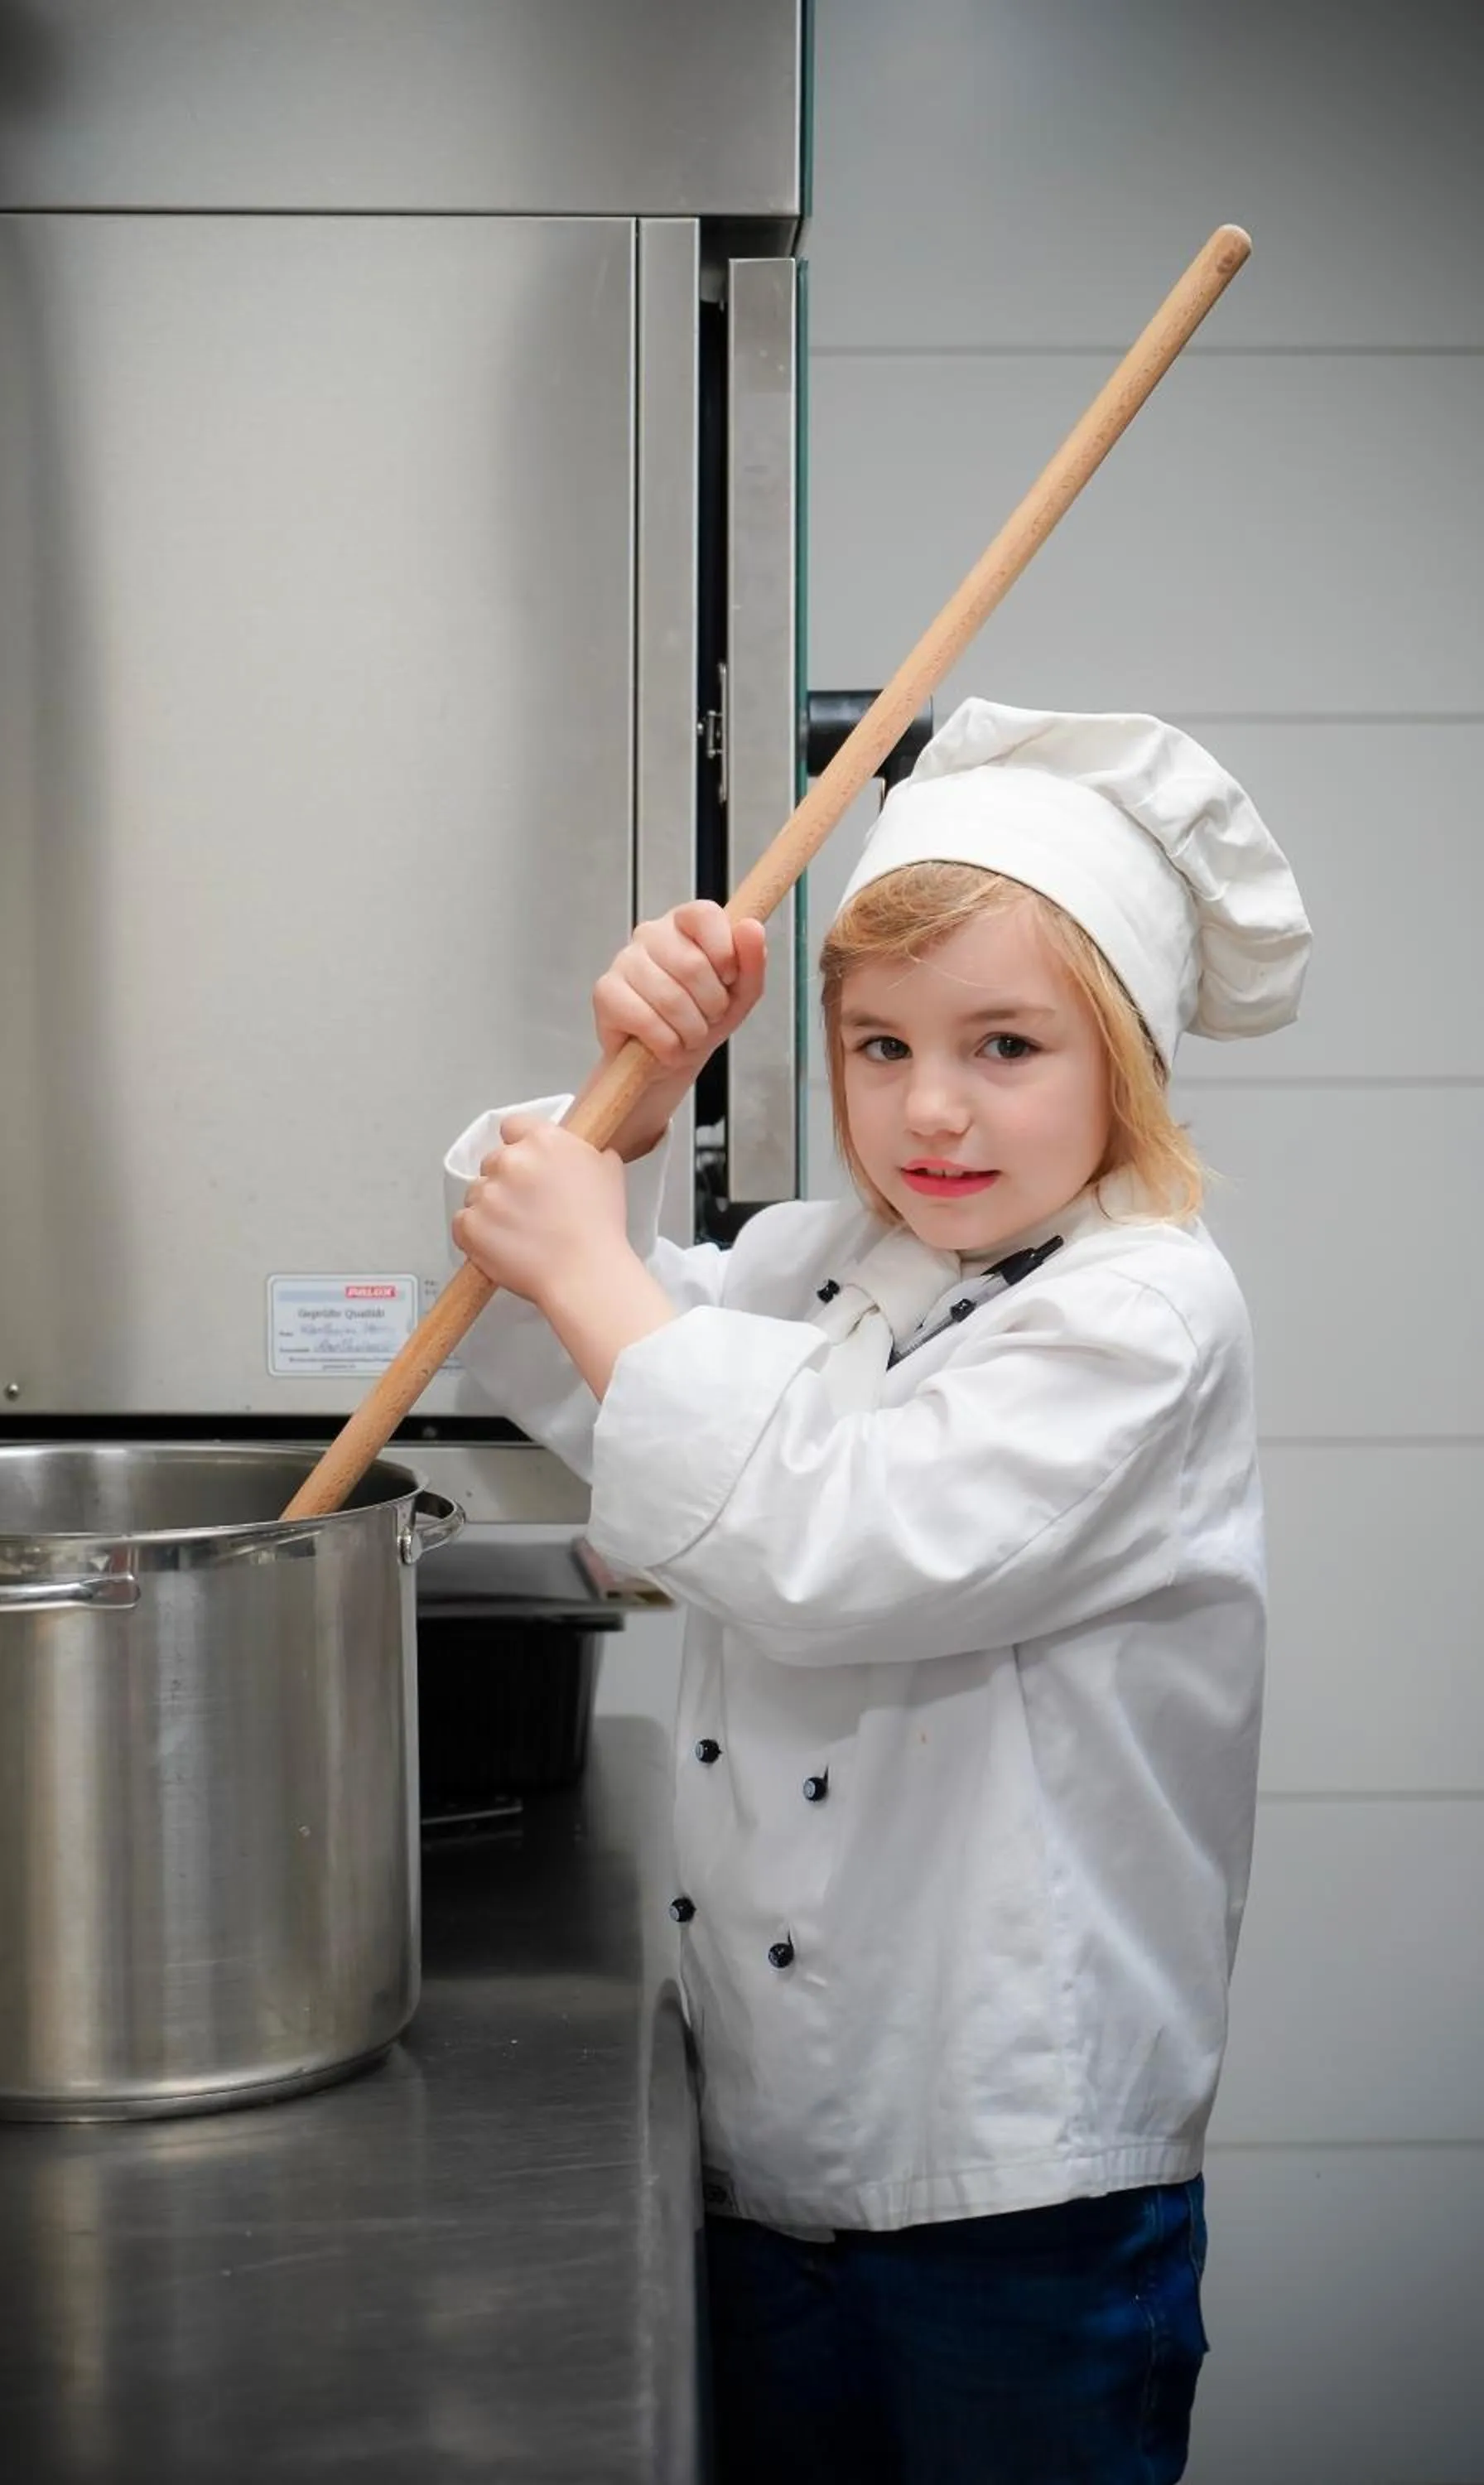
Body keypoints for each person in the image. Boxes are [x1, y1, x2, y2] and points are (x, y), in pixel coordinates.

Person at [444, 698, 1312, 2485]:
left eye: (1005, 1045)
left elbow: (830, 1544)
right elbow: (536, 1347)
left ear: (1126, 1057)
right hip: (770, 2156)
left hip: (1021, 2186)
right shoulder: (831, 1261)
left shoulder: (1142, 1314)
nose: (929, 1108)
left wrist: (598, 1277)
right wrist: (615, 1100)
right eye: (876, 1045)